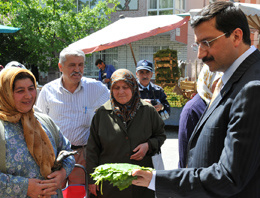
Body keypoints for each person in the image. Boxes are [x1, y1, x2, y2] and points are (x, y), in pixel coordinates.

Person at [132, 2, 260, 197]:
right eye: (197, 44)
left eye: (207, 42)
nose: (200, 54)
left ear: (236, 36)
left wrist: (157, 180)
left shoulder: (252, 88)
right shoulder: (234, 79)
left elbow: (229, 177)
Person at [86, 69, 166, 198]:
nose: (121, 92)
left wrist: (148, 145)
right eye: (116, 87)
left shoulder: (148, 111)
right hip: (110, 184)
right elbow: (92, 149)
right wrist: (91, 179)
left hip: (141, 182)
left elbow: (160, 136)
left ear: (133, 87)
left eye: (125, 87)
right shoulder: (102, 114)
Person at [36, 47, 110, 187]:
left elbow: (115, 104)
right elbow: (39, 124)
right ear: (60, 67)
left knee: (79, 193)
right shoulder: (48, 91)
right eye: (72, 65)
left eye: (80, 65)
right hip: (55, 158)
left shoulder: (96, 88)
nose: (77, 69)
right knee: (55, 193)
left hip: (82, 154)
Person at [0, 67, 75, 198]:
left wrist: (62, 173)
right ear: (6, 93)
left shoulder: (43, 121)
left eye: (31, 88)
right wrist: (24, 187)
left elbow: (67, 151)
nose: (28, 96)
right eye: (20, 91)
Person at [178, 65, 222, 168]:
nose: (221, 85)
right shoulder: (192, 109)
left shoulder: (220, 103)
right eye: (217, 81)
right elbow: (185, 152)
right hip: (198, 174)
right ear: (208, 79)